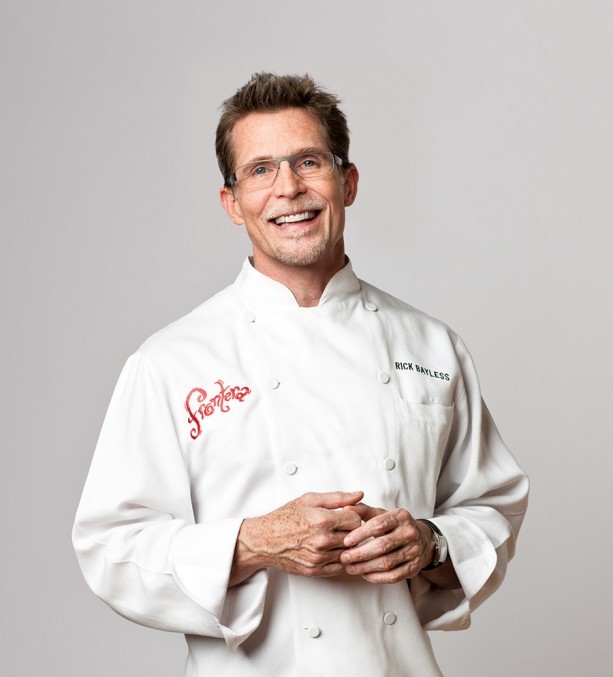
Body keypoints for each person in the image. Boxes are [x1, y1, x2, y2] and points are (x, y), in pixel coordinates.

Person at [73, 72, 529, 676]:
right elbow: (111, 548)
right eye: (260, 170)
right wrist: (255, 542)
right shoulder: (170, 361)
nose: (288, 188)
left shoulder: (431, 344)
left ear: (348, 182)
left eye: (309, 162)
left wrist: (431, 543)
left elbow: (491, 508)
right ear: (232, 202)